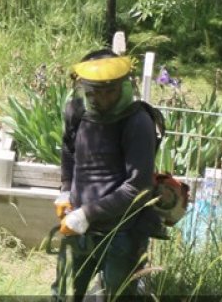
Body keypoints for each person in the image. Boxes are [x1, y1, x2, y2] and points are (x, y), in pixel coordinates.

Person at [52, 49, 161, 300]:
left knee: (116, 296)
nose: (103, 99)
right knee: (67, 293)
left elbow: (138, 188)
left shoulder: (138, 122)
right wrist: (66, 191)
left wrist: (87, 213)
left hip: (123, 232)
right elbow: (69, 151)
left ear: (124, 86)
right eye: (95, 92)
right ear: (83, 87)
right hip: (79, 227)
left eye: (110, 91)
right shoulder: (77, 112)